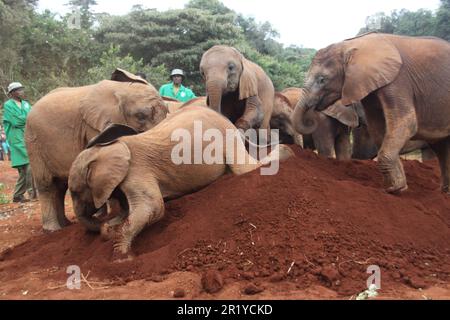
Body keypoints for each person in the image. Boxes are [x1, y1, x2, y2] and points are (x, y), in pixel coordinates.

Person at [2, 82, 36, 203]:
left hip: (27, 136)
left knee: (24, 169)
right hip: (16, 138)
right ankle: (33, 193)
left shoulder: (26, 104)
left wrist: (25, 118)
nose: (21, 91)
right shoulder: (8, 105)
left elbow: (33, 117)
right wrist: (26, 118)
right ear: (12, 93)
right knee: (29, 164)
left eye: (22, 89)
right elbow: (16, 121)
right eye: (18, 90)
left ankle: (18, 195)